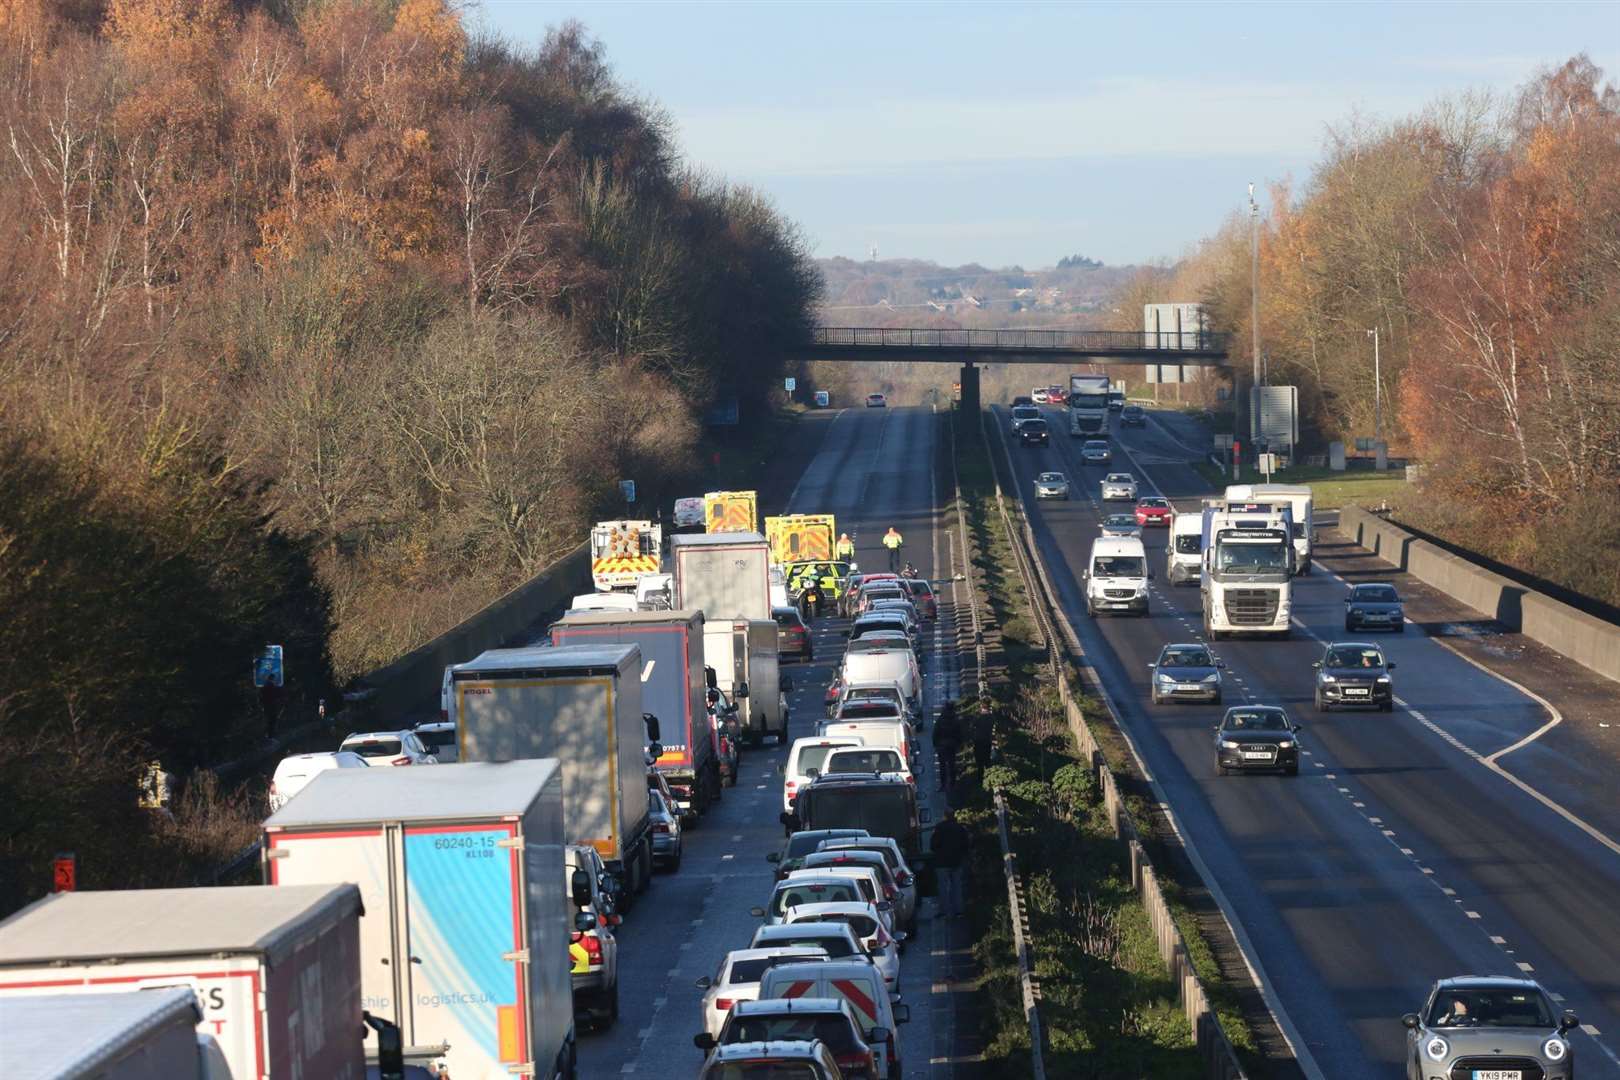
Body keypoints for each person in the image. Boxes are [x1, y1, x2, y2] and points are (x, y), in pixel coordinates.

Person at [929, 809, 971, 919]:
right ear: (954, 816)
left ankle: (944, 911)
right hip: (957, 861)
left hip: (942, 863)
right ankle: (959, 911)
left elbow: (933, 846)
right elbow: (966, 845)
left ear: (945, 816)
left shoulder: (939, 828)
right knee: (957, 887)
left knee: (943, 888)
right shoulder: (960, 828)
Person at [933, 700, 962, 791]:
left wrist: (936, 744)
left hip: (942, 746)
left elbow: (935, 733)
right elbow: (959, 733)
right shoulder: (955, 719)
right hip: (952, 746)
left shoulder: (941, 719)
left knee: (942, 766)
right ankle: (952, 784)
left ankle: (943, 785)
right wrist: (959, 744)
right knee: (952, 765)